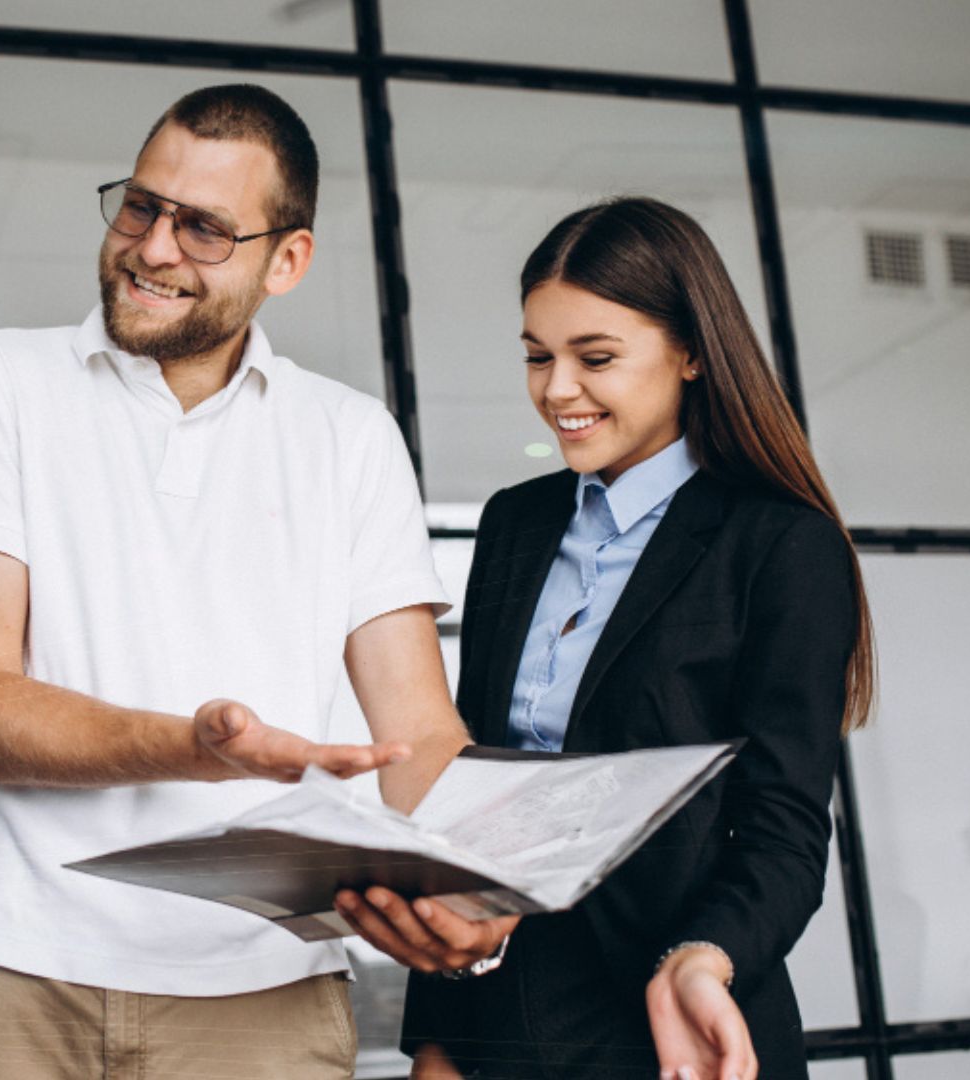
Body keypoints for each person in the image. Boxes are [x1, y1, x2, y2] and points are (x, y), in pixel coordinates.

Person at [0, 83, 472, 1078]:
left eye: (205, 228)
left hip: (265, 1001)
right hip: (7, 973)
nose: (154, 248)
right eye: (142, 205)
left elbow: (415, 735)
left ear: (287, 260)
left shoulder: (351, 437)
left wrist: (481, 899)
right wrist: (199, 749)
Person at [336, 197, 875, 1080]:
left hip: (669, 1019)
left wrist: (704, 957)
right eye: (537, 357)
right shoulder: (516, 523)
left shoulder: (780, 544)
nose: (557, 390)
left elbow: (782, 831)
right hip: (498, 1017)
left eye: (595, 358)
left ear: (693, 352)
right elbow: (477, 790)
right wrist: (439, 1038)